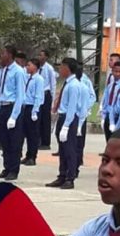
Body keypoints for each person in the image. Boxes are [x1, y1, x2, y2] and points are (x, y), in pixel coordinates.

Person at [48, 58, 86, 190]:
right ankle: (62, 175)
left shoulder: (74, 85)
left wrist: (66, 125)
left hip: (69, 119)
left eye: (62, 66)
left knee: (69, 150)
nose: (60, 69)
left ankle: (70, 177)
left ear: (68, 68)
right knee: (63, 149)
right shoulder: (67, 83)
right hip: (63, 117)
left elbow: (72, 107)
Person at [0, 45, 26, 181]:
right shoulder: (3, 71)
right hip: (4, 106)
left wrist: (14, 116)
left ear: (10, 55)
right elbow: (1, 92)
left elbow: (20, 95)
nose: (1, 56)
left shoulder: (18, 71)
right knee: (5, 141)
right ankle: (6, 167)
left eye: (4, 53)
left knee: (14, 142)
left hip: (13, 107)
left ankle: (14, 169)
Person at [22, 57, 45, 166]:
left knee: (33, 134)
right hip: (26, 106)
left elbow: (38, 96)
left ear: (35, 67)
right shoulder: (28, 78)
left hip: (33, 107)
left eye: (29, 65)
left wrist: (35, 111)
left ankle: (32, 157)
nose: (27, 67)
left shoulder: (39, 79)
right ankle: (28, 155)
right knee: (27, 133)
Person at [38, 50, 56, 150]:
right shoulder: (38, 68)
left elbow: (53, 84)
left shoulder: (49, 69)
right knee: (39, 118)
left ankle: (46, 142)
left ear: (46, 57)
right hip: (39, 95)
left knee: (45, 119)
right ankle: (39, 140)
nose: (39, 57)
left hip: (46, 94)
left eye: (41, 55)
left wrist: (52, 100)